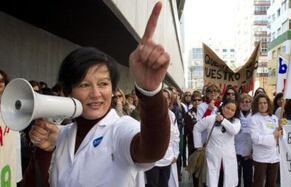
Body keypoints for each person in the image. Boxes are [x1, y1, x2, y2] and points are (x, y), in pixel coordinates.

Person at [23, 2, 171, 186]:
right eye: (84, 84)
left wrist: (150, 92)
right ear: (67, 90)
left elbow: (152, 150)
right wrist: (43, 151)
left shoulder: (120, 128)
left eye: (103, 84)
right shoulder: (61, 135)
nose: (96, 94)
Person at [193, 99, 241, 187]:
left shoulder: (236, 122)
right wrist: (198, 146)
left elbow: (234, 131)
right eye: (227, 108)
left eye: (232, 110)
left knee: (227, 182)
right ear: (222, 107)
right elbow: (197, 128)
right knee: (213, 182)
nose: (229, 111)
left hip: (228, 159)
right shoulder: (211, 119)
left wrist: (223, 121)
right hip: (212, 157)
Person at [144, 89, 179, 187]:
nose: (164, 100)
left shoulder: (172, 115)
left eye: (167, 98)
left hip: (167, 159)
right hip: (152, 161)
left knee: (164, 184)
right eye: (161, 98)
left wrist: (175, 154)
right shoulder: (149, 114)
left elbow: (176, 137)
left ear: (170, 101)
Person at [250, 93, 280, 187]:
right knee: (258, 183)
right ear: (256, 105)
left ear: (268, 104)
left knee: (271, 183)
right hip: (261, 157)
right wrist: (273, 136)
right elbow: (256, 139)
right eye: (260, 103)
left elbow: (279, 137)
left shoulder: (274, 118)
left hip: (274, 157)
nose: (263, 105)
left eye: (265, 102)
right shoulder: (254, 119)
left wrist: (281, 131)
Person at [0, 69, 23, 186]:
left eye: (2, 81)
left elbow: (15, 143)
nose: (0, 84)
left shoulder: (11, 108)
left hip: (8, 158)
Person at [235, 93, 253, 187]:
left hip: (249, 152)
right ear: (238, 103)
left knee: (248, 177)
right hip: (235, 151)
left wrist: (252, 152)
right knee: (235, 178)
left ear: (251, 103)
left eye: (247, 101)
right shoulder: (234, 115)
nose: (245, 103)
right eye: (242, 101)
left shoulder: (255, 116)